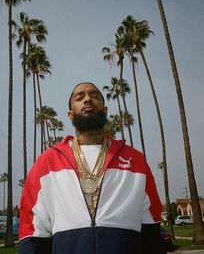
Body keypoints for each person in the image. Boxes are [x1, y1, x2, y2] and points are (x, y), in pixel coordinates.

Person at [19, 82, 166, 254]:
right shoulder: (47, 162)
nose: (88, 99)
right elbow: (34, 231)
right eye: (79, 97)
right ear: (71, 115)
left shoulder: (135, 160)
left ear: (105, 111)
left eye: (94, 96)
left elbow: (151, 227)